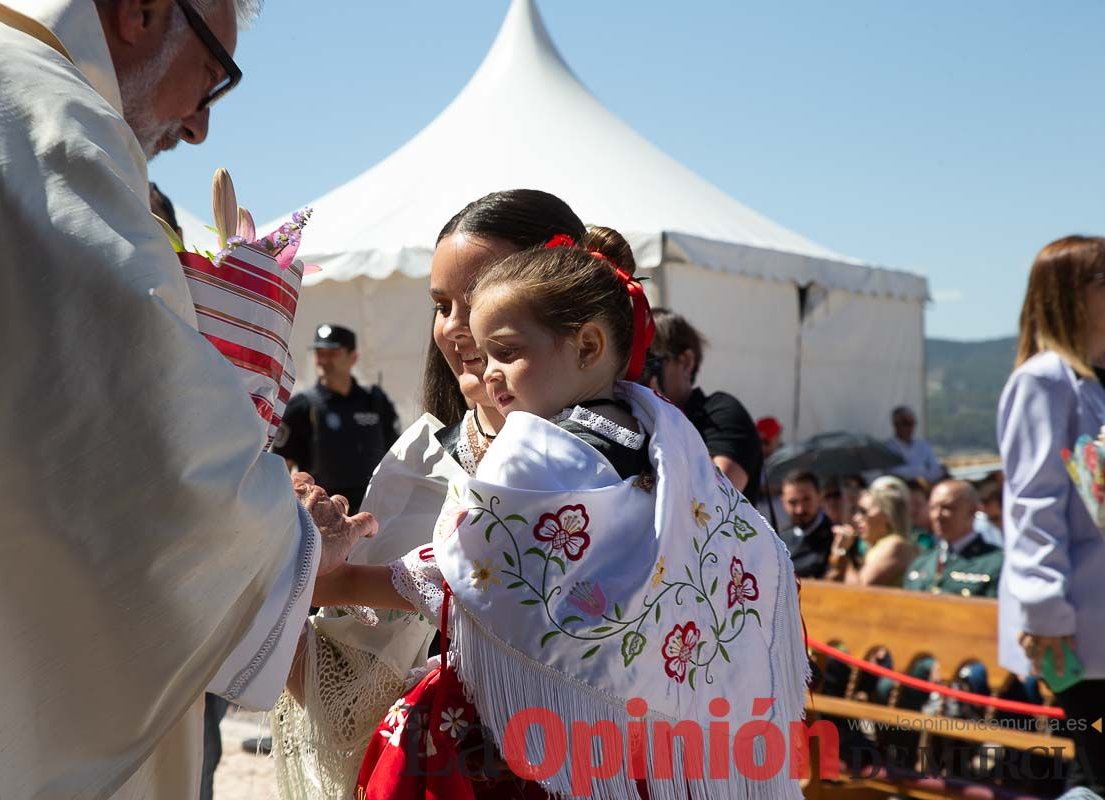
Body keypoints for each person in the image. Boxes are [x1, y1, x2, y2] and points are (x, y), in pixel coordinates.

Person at [0, 3, 376, 798]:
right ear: (144, 11)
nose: (197, 126)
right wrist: (284, 544)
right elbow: (142, 446)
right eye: (212, 79)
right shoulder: (29, 107)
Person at [309, 228, 807, 798]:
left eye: (508, 351)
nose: (489, 372)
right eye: (482, 349)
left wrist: (339, 578)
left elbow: (464, 569)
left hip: (540, 746)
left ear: (588, 346)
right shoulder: (662, 431)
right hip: (657, 739)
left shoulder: (537, 448)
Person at [271, 190, 596, 797]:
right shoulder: (423, 459)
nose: (454, 328)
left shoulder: (640, 450)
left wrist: (323, 577)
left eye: (477, 301)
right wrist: (283, 561)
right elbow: (348, 701)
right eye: (442, 305)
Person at [997, 235, 1105, 795]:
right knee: (1094, 777)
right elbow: (1033, 504)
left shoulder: (1093, 381)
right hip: (1079, 631)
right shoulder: (1044, 380)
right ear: (1072, 294)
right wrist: (1045, 613)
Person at [274, 324, 400, 512]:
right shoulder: (302, 406)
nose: (323, 360)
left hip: (376, 513)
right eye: (319, 353)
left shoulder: (375, 401)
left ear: (353, 357)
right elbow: (280, 470)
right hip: (325, 518)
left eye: (332, 353)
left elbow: (397, 456)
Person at [645, 309, 764, 500]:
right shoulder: (634, 417)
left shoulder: (721, 412)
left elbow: (716, 497)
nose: (639, 374)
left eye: (649, 361)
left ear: (685, 362)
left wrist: (660, 412)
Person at [902, 480, 1003, 597]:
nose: (937, 515)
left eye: (947, 508)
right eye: (933, 508)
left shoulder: (994, 563)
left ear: (972, 511)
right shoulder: (921, 563)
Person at [825, 476, 917, 586]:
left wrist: (842, 554)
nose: (856, 518)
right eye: (856, 511)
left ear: (887, 515)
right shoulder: (875, 547)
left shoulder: (895, 545)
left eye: (864, 512)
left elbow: (861, 590)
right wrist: (838, 555)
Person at [778, 470, 836, 578]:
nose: (800, 509)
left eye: (806, 500)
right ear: (783, 502)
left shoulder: (835, 537)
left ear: (820, 497)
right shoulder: (779, 540)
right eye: (793, 502)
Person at [885, 405, 945, 483]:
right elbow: (894, 471)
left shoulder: (923, 445)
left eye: (912, 423)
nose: (910, 427)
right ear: (895, 424)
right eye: (905, 423)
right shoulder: (887, 448)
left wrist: (918, 475)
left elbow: (936, 469)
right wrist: (923, 471)